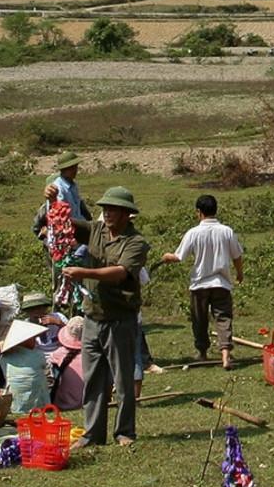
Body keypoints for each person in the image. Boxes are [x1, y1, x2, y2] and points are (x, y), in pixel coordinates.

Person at [61, 186, 150, 448]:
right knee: (93, 379)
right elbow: (62, 223)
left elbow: (120, 272)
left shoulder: (136, 243)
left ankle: (125, 431)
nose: (107, 213)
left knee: (123, 379)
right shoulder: (96, 230)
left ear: (127, 214)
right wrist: (51, 203)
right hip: (92, 317)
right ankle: (92, 434)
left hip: (119, 319)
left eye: (113, 209)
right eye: (105, 209)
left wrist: (83, 273)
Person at [161, 194, 245, 370]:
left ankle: (202, 353)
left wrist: (168, 256)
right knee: (223, 318)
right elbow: (237, 256)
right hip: (221, 282)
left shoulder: (193, 233)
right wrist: (239, 273)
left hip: (199, 283)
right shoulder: (226, 231)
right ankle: (225, 355)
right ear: (216, 210)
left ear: (198, 212)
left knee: (199, 320)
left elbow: (179, 256)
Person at [0, 319, 52, 416]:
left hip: (14, 397)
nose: (35, 341)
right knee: (41, 379)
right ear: (23, 341)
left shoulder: (4, 357)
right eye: (33, 339)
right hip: (36, 398)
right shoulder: (38, 355)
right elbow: (44, 365)